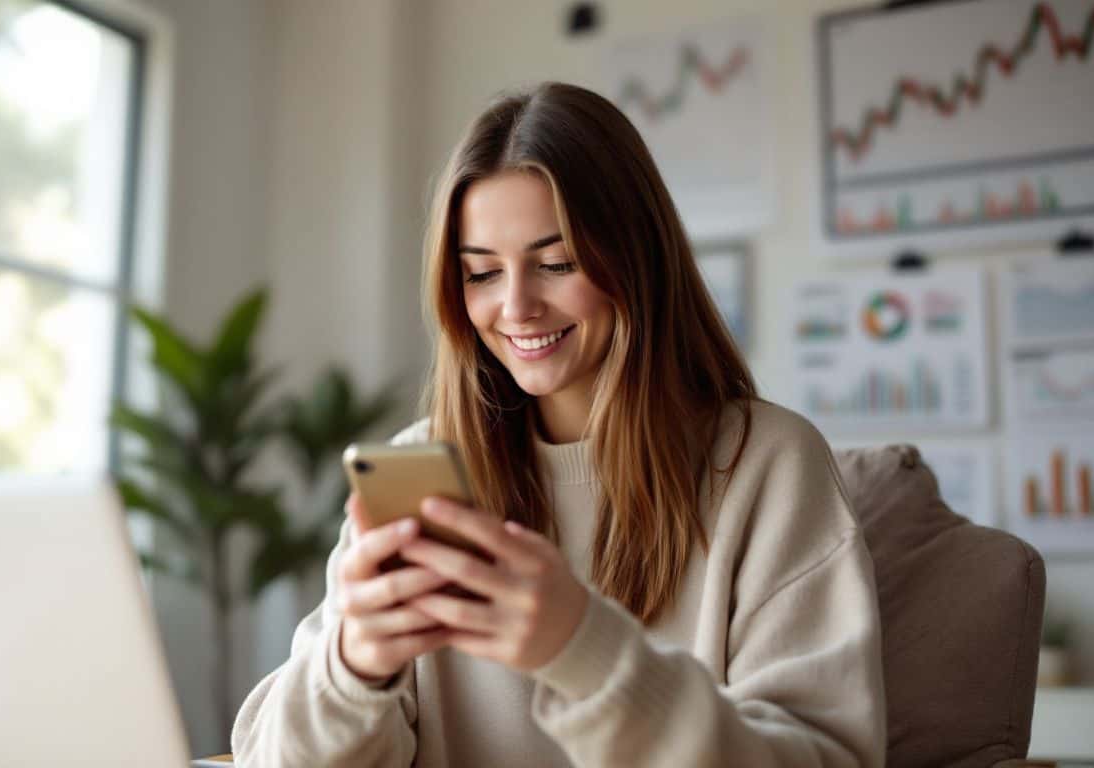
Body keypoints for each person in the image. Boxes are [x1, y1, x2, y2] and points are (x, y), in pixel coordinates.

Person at [232, 81, 886, 767]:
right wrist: (354, 666)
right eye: (481, 273)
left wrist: (581, 648)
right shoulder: (422, 465)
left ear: (635, 259)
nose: (516, 307)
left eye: (556, 264)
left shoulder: (768, 466)